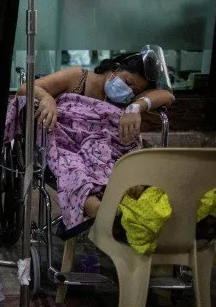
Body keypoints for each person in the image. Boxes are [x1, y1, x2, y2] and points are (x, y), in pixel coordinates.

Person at [17, 50, 175, 220]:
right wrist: (46, 98)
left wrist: (137, 106)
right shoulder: (78, 78)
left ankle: (124, 210)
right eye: (128, 82)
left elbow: (168, 96)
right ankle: (99, 211)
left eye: (134, 90)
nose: (129, 91)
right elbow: (25, 89)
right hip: (68, 145)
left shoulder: (128, 100)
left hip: (107, 151)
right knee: (74, 169)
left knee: (134, 172)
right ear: (116, 68)